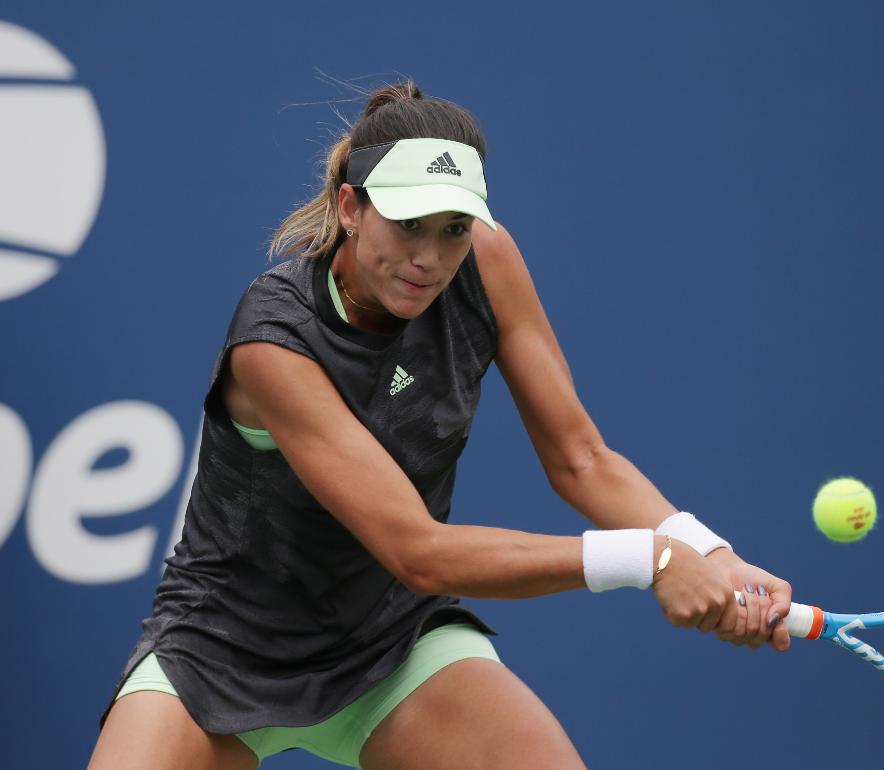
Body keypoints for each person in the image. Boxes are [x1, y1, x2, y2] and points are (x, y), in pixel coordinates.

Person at [87, 79, 792, 770]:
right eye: (408, 224)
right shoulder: (274, 341)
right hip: (220, 648)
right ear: (351, 208)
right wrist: (649, 559)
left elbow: (581, 458)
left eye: (453, 229)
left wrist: (710, 554)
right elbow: (417, 551)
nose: (429, 258)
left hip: (393, 643)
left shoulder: (488, 259)